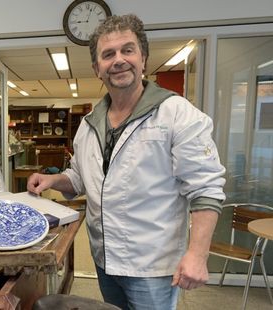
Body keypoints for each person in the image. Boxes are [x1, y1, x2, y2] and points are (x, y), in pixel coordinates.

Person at [27, 14, 225, 310]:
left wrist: (197, 255)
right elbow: (81, 178)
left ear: (143, 59)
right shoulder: (89, 124)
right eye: (108, 55)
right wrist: (54, 180)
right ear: (97, 69)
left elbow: (206, 189)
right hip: (105, 259)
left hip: (152, 267)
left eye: (127, 50)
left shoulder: (175, 113)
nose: (118, 60)